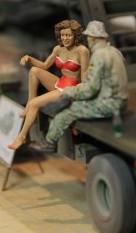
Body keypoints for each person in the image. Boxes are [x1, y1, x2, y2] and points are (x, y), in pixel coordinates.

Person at [28, 20, 128, 153]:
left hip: (108, 103)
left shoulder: (98, 56)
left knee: (67, 113)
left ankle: (50, 143)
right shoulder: (114, 51)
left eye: (89, 37)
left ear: (92, 38)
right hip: (120, 99)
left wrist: (67, 93)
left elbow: (90, 89)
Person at [7, 19, 89, 150]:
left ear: (75, 35)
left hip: (70, 89)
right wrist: (29, 58)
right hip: (61, 82)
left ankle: (22, 136)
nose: (65, 38)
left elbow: (85, 77)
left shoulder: (82, 51)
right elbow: (45, 66)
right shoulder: (58, 49)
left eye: (68, 35)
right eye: (63, 35)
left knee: (35, 104)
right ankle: (29, 106)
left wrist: (82, 95)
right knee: (34, 71)